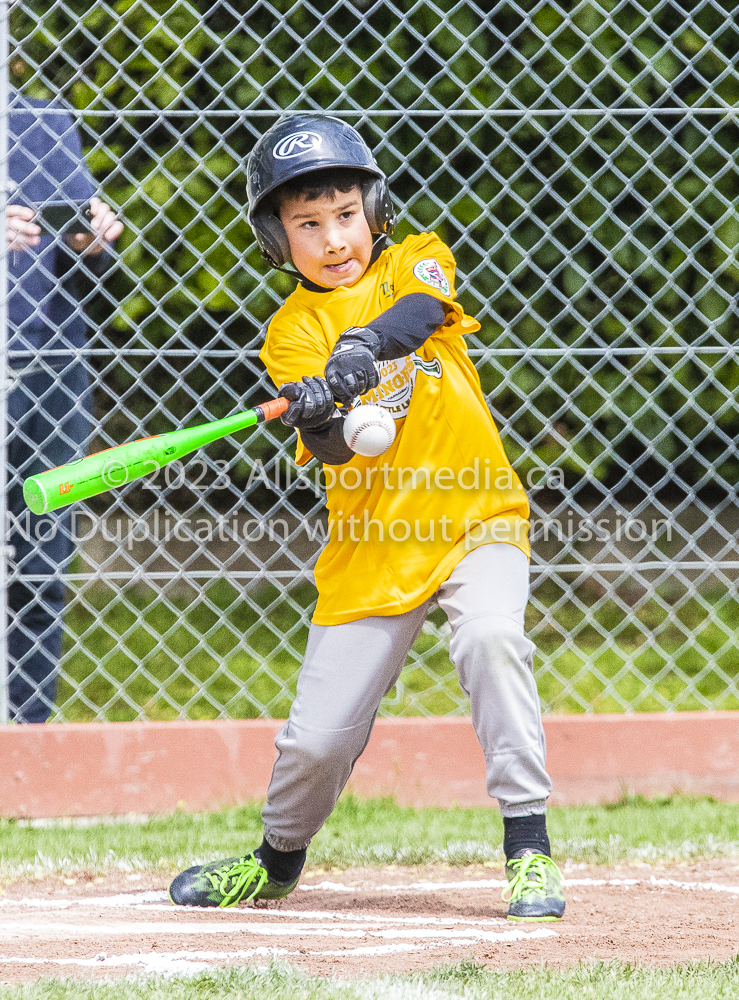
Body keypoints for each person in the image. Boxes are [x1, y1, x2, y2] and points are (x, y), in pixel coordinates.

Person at [169, 115, 565, 921]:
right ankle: (277, 862)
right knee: (316, 740)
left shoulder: (419, 256)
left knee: (492, 638)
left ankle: (529, 848)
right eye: (307, 224)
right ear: (279, 242)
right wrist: (322, 410)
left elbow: (419, 311)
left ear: (373, 211)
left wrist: (356, 356)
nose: (333, 237)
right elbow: (341, 450)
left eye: (345, 214)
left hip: (474, 517)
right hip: (372, 548)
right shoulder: (288, 336)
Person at [0, 15, 123, 721]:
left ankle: (25, 727)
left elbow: (91, 268)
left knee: (40, 562)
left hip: (46, 365)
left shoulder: (44, 122)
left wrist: (93, 239)